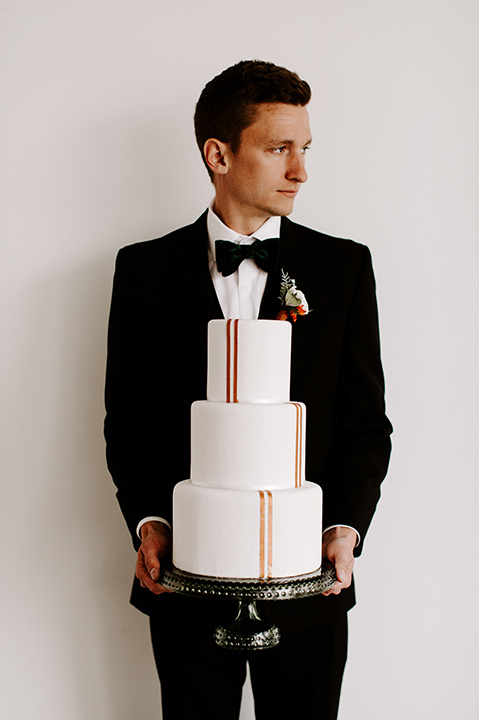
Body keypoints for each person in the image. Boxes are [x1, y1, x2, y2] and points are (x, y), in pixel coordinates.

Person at [104, 60, 392, 720]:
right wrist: (149, 522)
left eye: (305, 149)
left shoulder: (343, 267)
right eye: (279, 148)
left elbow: (366, 423)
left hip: (309, 584)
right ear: (219, 154)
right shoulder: (143, 271)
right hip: (185, 582)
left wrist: (344, 529)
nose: (301, 170)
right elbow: (129, 422)